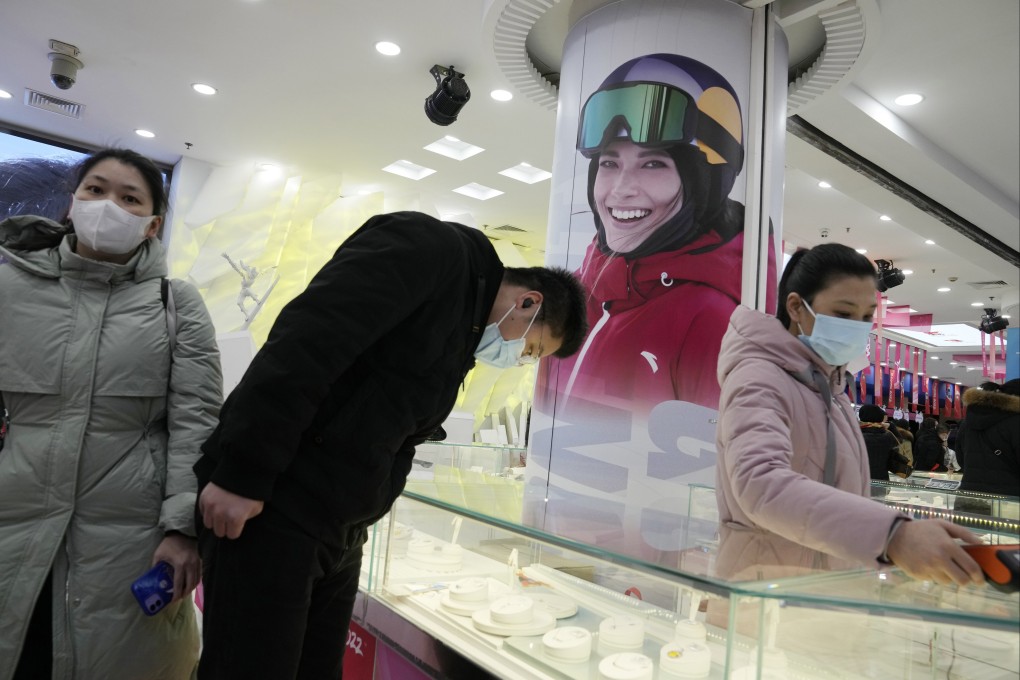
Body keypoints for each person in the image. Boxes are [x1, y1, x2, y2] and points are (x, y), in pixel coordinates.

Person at [193, 210, 588, 679]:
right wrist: (243, 474)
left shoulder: (462, 339)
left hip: (339, 533)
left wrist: (365, 515)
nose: (520, 358)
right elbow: (307, 342)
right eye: (532, 349)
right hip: (278, 509)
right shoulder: (428, 249)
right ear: (527, 302)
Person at [0, 148, 223, 678]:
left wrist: (183, 529)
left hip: (131, 535)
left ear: (151, 225)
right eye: (96, 190)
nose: (108, 206)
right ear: (72, 201)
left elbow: (198, 422)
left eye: (129, 198)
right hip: (13, 515)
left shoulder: (176, 303)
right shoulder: (9, 287)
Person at [714, 242, 984, 585]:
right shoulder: (760, 378)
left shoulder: (831, 388)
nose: (857, 326)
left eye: (867, 316)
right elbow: (760, 482)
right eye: (843, 314)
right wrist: (892, 535)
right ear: (796, 307)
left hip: (823, 586)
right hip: (766, 590)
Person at [543, 53, 777, 413]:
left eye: (653, 164)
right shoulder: (577, 295)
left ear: (706, 182)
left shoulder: (711, 321)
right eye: (609, 163)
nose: (621, 189)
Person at [957, 379, 1019, 495]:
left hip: (968, 495)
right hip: (1009, 501)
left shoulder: (967, 422)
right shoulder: (1015, 423)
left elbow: (960, 459)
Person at [858, 404, 912, 480]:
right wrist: (890, 426)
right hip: (882, 481)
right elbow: (899, 439)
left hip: (860, 481)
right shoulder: (887, 436)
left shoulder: (856, 436)